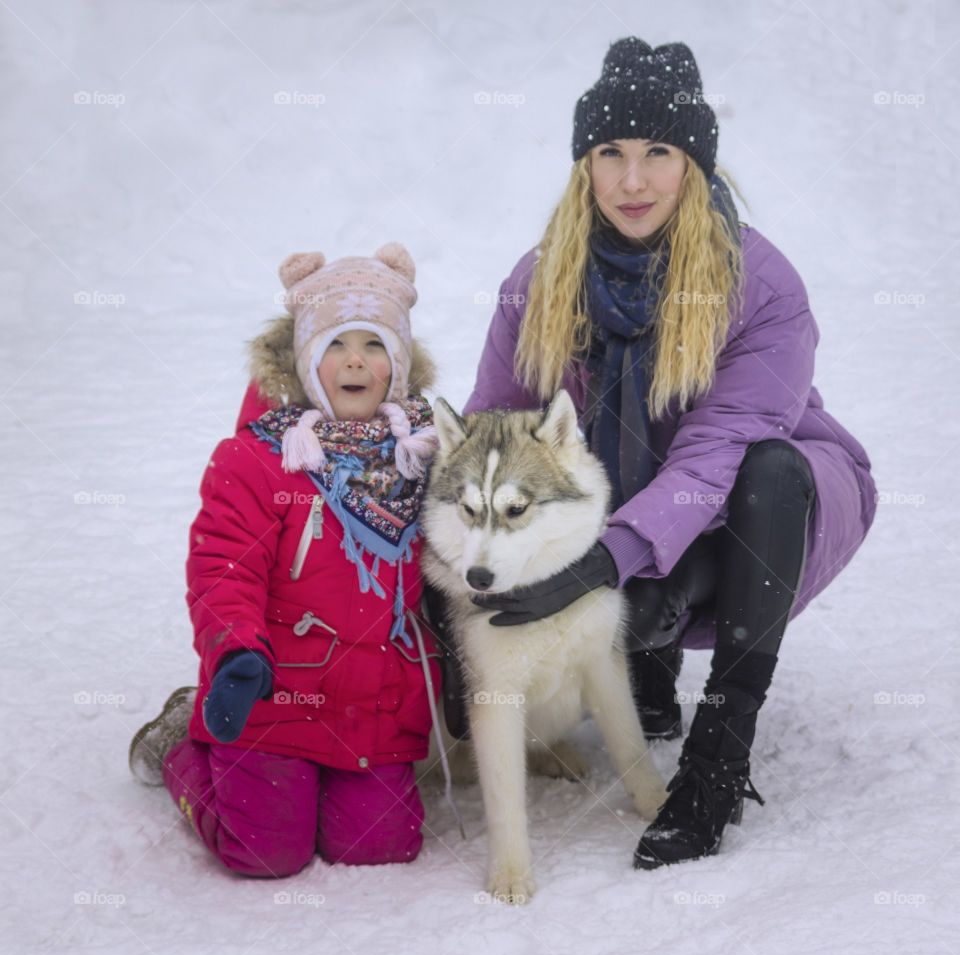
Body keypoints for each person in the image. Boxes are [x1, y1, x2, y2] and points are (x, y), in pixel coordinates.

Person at [466, 38, 877, 868]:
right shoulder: (539, 280)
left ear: (694, 161)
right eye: (609, 154)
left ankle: (718, 758)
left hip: (760, 510)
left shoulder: (760, 283)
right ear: (583, 165)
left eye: (659, 152)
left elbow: (715, 455)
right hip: (631, 512)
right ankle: (642, 658)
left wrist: (605, 563)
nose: (632, 181)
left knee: (763, 471)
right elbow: (494, 429)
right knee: (622, 578)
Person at [129, 244, 444, 878]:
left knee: (379, 846)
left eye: (375, 344)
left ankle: (318, 787)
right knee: (267, 852)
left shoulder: (421, 457)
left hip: (373, 702)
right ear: (303, 362)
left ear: (400, 365)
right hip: (271, 693)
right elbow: (223, 570)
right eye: (335, 344)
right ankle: (176, 744)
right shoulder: (256, 460)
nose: (355, 359)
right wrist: (236, 654)